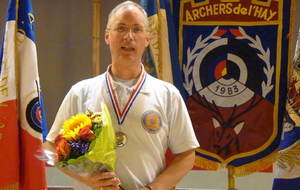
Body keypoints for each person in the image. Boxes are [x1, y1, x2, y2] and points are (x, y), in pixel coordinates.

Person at [44, 1, 199, 190]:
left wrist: (154, 188)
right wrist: (84, 177)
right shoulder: (81, 92)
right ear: (107, 36)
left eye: (137, 29)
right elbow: (50, 148)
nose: (129, 36)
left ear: (147, 39)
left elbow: (187, 155)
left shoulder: (168, 95)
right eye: (121, 28)